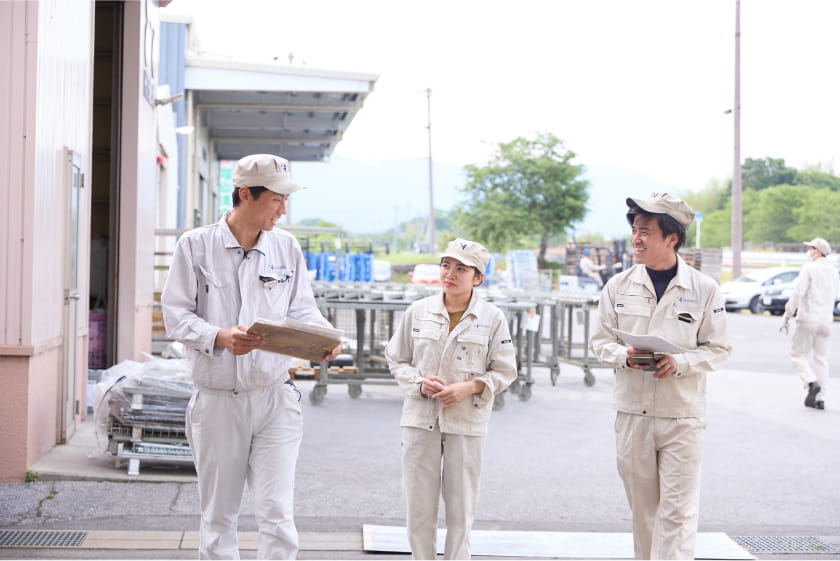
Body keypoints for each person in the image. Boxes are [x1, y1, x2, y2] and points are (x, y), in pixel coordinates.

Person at [161, 153, 342, 560]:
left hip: (275, 398)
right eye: (276, 199)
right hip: (218, 401)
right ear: (246, 193)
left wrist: (323, 338)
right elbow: (174, 314)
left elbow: (301, 308)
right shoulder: (195, 245)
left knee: (277, 512)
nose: (283, 209)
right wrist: (218, 336)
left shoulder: (286, 247)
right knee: (219, 515)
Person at [589, 193, 732, 560]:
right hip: (632, 415)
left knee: (678, 513)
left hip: (682, 416)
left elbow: (719, 348)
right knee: (644, 513)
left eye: (646, 232)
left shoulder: (703, 288)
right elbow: (600, 342)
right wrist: (624, 355)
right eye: (635, 230)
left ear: (672, 238)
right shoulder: (617, 286)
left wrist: (680, 363)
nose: (636, 238)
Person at [384, 238, 518, 560]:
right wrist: (418, 382)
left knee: (461, 509)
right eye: (446, 265)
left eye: (461, 268)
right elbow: (396, 359)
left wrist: (470, 387)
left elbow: (505, 370)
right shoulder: (419, 312)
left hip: (466, 422)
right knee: (419, 507)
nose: (450, 273)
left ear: (477, 278)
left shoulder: (492, 317)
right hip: (420, 420)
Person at [780, 238, 839, 410]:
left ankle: (810, 382)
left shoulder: (809, 268)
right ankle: (820, 399)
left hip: (808, 319)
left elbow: (798, 293)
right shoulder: (834, 272)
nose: (808, 251)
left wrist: (787, 315)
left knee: (797, 354)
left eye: (810, 248)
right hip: (826, 321)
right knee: (822, 359)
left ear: (818, 251)